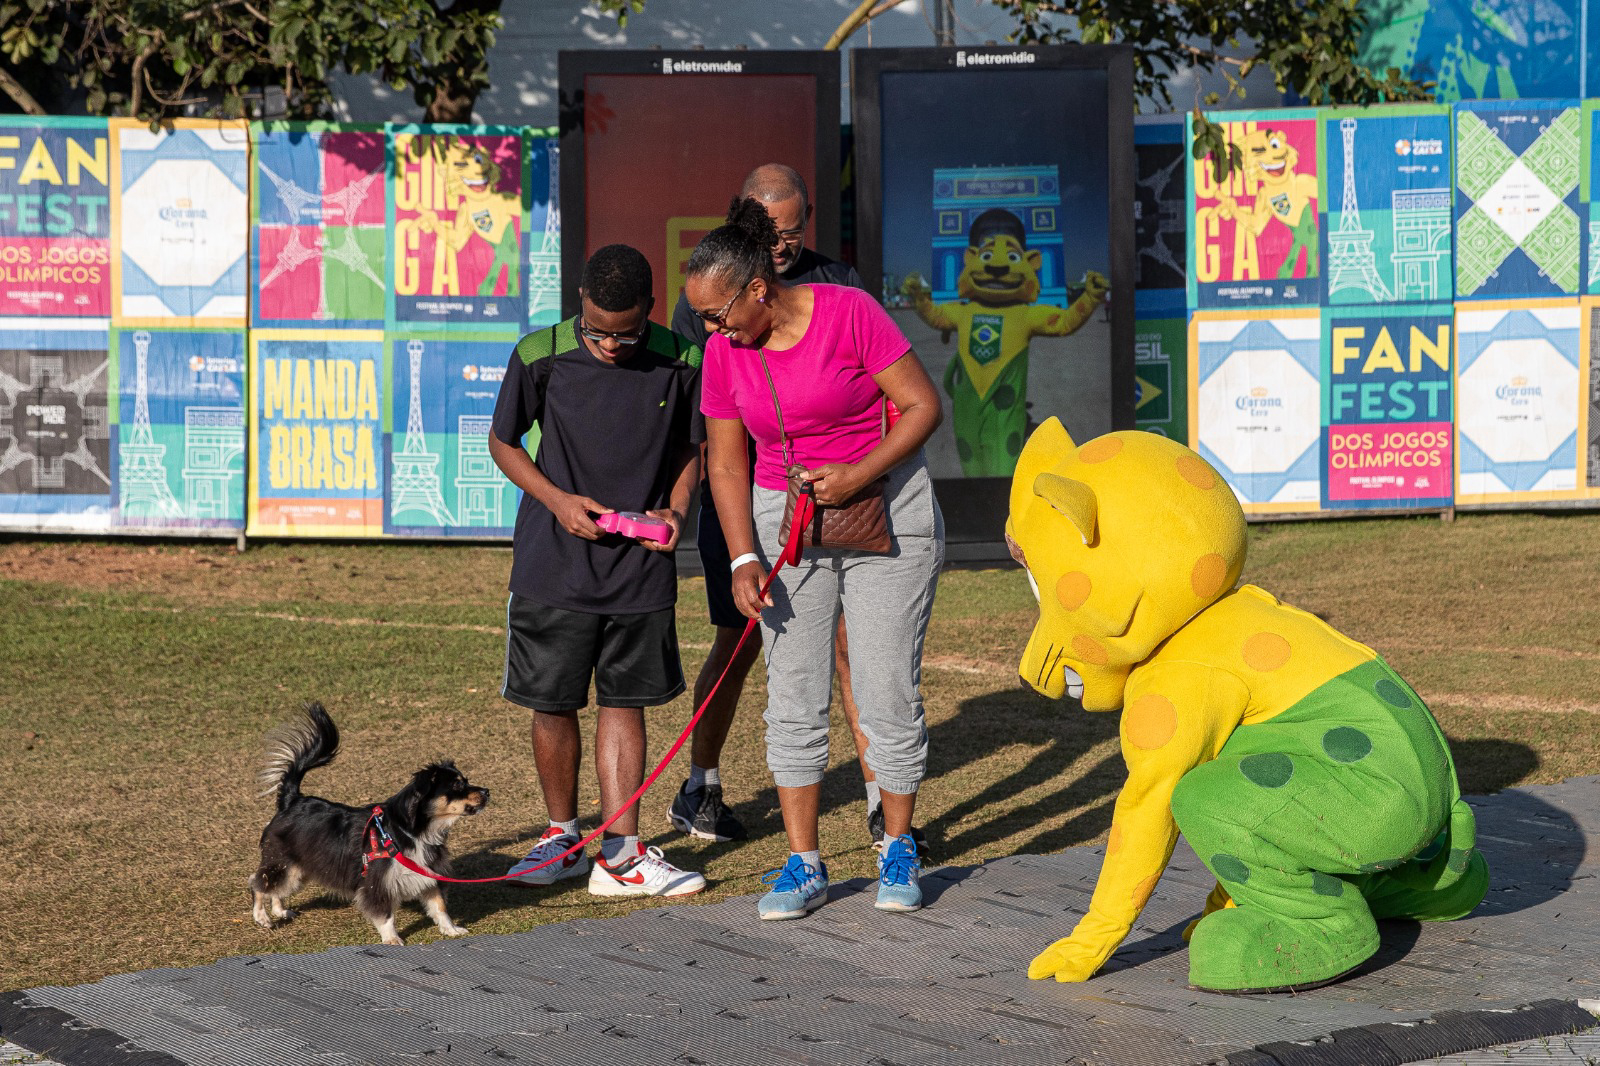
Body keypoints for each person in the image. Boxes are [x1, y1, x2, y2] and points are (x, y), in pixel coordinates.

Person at [686, 198, 945, 918]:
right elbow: (728, 466)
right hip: (785, 520)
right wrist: (742, 557)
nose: (712, 328)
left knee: (887, 688)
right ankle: (803, 865)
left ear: (757, 289)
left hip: (886, 510)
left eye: (718, 313)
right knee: (794, 697)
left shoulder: (850, 311)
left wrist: (859, 473)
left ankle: (897, 847)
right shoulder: (722, 355)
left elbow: (923, 407)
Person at [488, 243, 706, 899]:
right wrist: (556, 500)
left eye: (627, 332)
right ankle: (562, 838)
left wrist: (676, 508)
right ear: (579, 307)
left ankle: (623, 853)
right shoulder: (539, 354)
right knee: (552, 704)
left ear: (649, 311)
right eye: (597, 331)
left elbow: (692, 448)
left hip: (639, 569)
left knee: (625, 702)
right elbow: (504, 441)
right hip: (553, 567)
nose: (611, 344)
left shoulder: (682, 359)